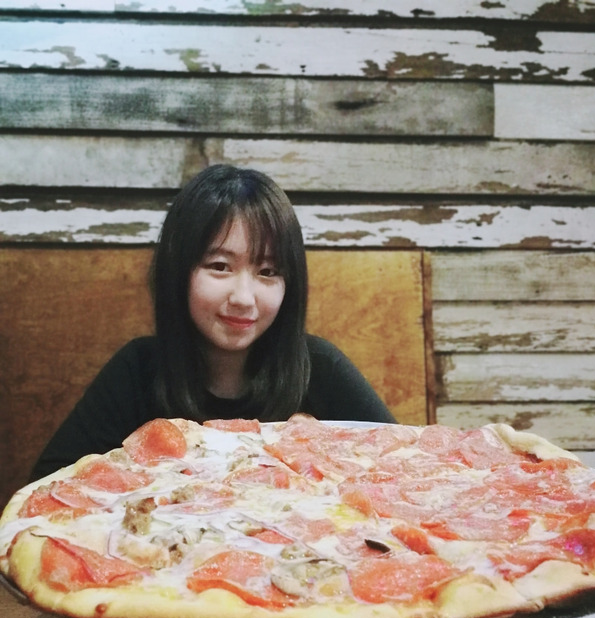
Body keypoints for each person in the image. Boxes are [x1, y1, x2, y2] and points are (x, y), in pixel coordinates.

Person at [31, 164, 396, 481]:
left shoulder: (320, 367)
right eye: (220, 266)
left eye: (268, 271)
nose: (244, 297)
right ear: (179, 271)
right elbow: (50, 487)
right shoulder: (137, 371)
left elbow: (402, 470)